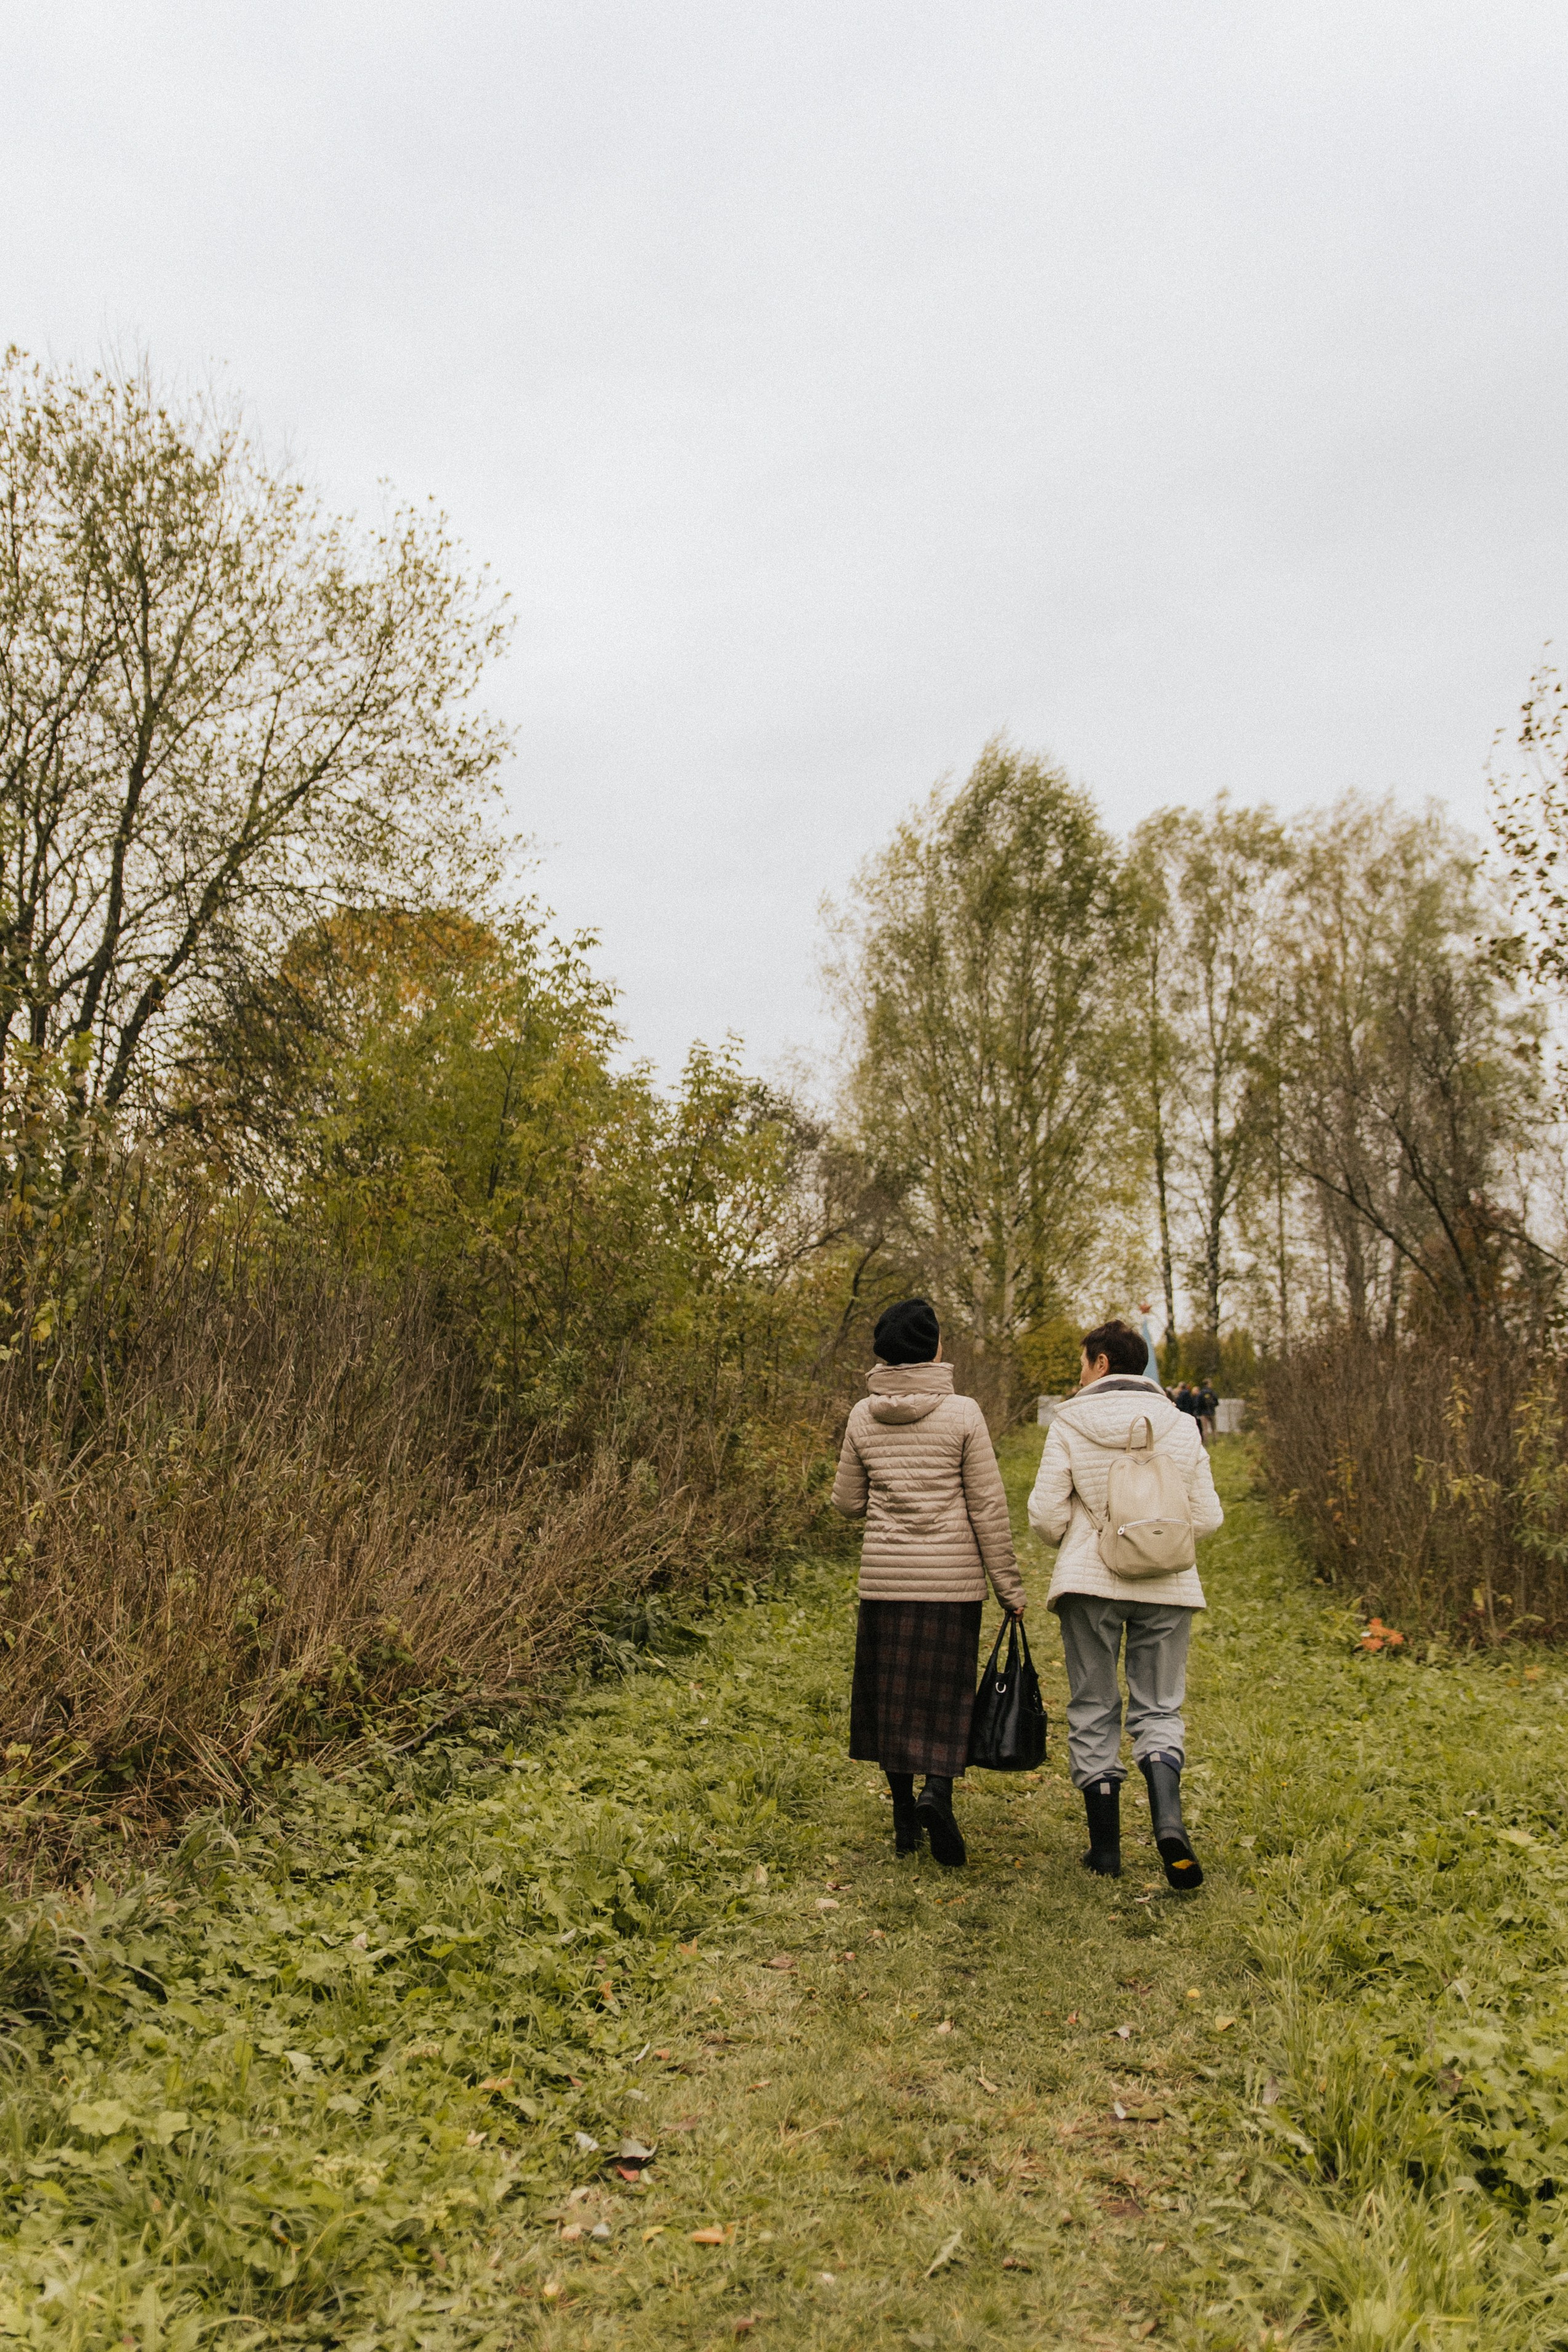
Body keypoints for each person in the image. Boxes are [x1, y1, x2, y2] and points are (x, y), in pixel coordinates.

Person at [1026, 1318, 1223, 1890]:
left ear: (1102, 1364)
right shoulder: (1183, 1426)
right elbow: (1207, 1517)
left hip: (1091, 1583)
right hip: (1167, 1583)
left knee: (1093, 1705)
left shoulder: (1069, 1421)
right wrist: (1155, 1534)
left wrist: (1088, 1530)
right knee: (1159, 1707)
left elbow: (1044, 1516)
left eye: (1082, 1362)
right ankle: (1167, 1822)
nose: (1079, 1371)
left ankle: (1105, 1851)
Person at [833, 1297, 1027, 1869]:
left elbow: (846, 1503)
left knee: (891, 1702)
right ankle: (936, 1794)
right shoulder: (963, 1413)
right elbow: (987, 1508)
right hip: (951, 1587)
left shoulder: (861, 1415)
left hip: (886, 1584)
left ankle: (901, 1821)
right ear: (935, 1348)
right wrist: (1009, 1590)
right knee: (943, 1698)